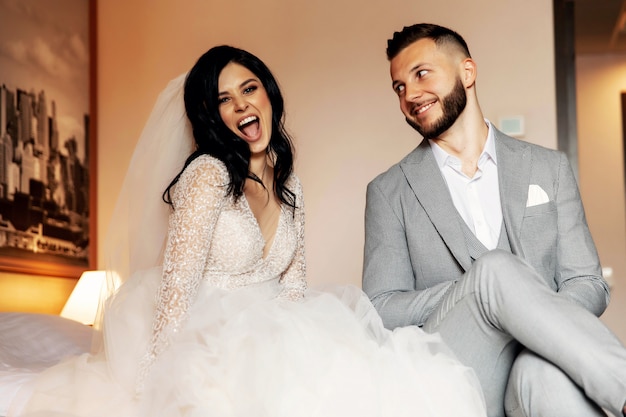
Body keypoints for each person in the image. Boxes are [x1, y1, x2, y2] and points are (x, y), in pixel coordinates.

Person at [9, 45, 488, 417]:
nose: (240, 105)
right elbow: (177, 288)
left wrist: (305, 347)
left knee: (377, 382)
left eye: (249, 89)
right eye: (223, 99)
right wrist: (151, 388)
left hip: (272, 329)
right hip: (205, 334)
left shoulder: (291, 182)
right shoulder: (208, 174)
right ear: (211, 115)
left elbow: (294, 286)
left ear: (268, 94)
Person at [362, 22, 626, 417]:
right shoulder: (388, 191)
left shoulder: (548, 167)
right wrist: (485, 293)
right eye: (399, 87)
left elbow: (587, 283)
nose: (410, 95)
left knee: (544, 374)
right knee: (496, 270)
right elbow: (380, 308)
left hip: (531, 365)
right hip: (451, 370)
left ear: (467, 72)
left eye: (421, 74)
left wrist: (533, 322)